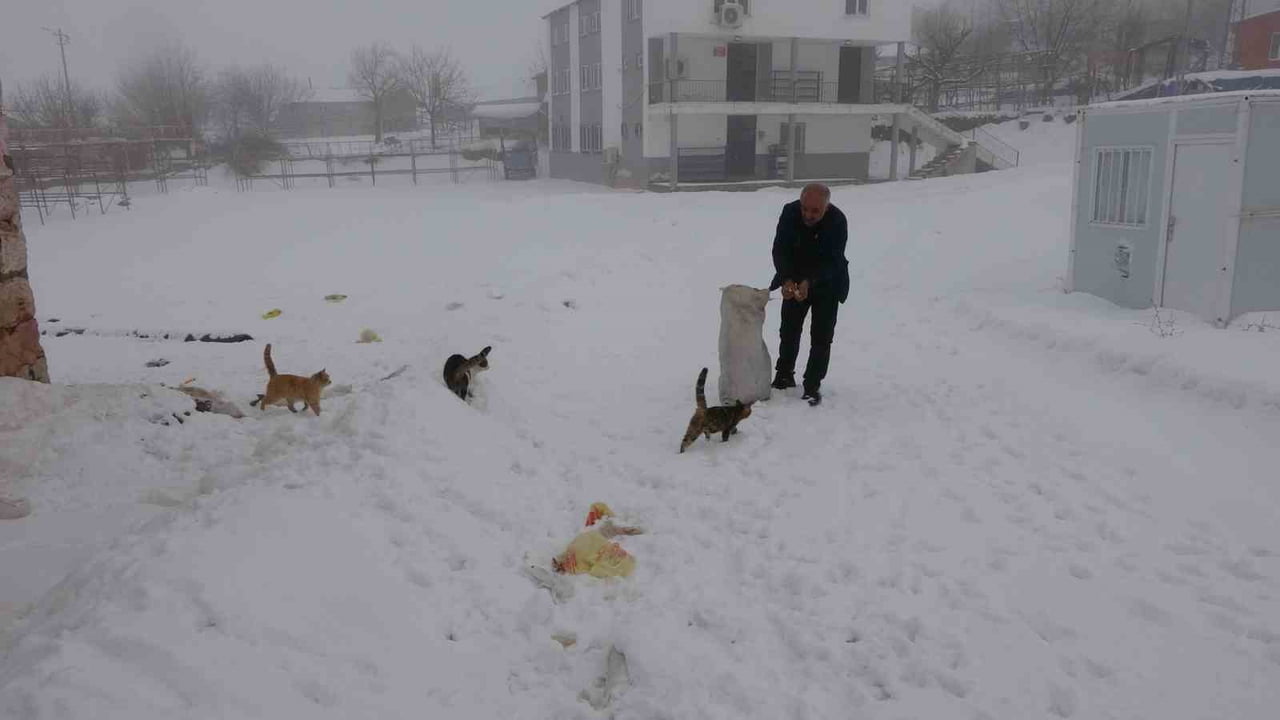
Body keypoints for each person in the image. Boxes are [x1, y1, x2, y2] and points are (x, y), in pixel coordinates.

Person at [768, 183, 850, 406]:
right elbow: (780, 249)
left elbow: (833, 261)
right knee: (789, 330)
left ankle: (812, 384)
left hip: (828, 284)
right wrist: (786, 279)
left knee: (821, 337)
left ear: (827, 207)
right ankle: (784, 374)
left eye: (815, 211)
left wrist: (809, 282)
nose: (808, 215)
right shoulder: (789, 212)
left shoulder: (838, 221)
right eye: (805, 208)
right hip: (794, 277)